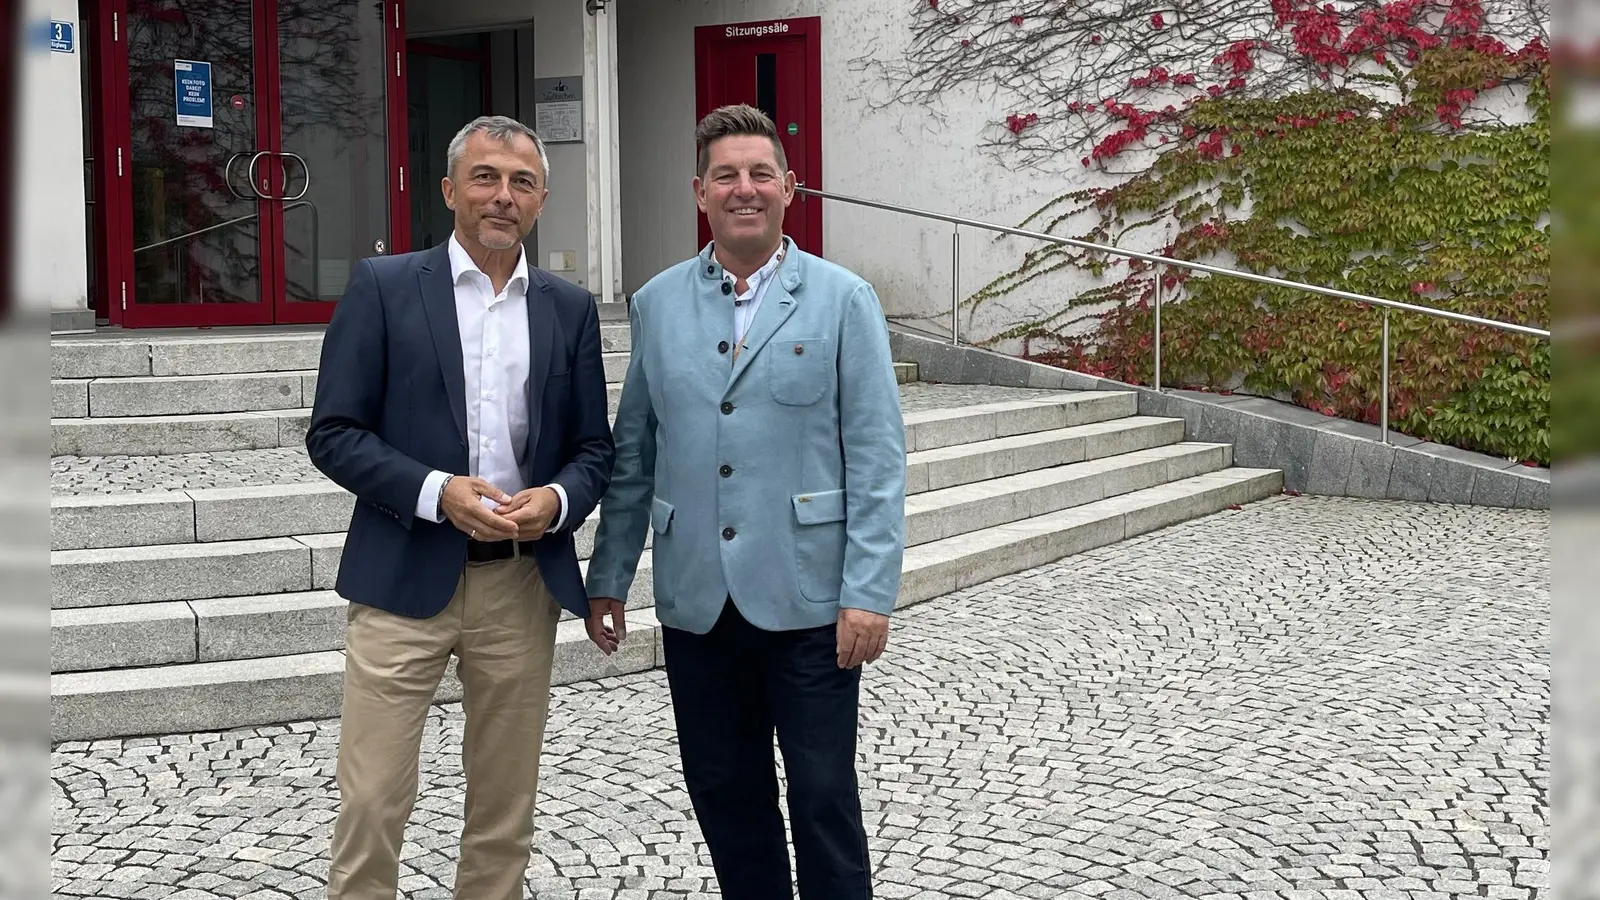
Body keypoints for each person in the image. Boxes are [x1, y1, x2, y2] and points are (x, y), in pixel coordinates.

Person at [584, 104, 907, 900]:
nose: (745, 189)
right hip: (698, 600)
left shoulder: (843, 299)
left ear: (790, 188)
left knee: (824, 797)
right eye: (726, 175)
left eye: (761, 173)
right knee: (726, 795)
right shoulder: (657, 303)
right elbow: (636, 452)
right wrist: (609, 575)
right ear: (700, 191)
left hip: (808, 600)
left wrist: (869, 592)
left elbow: (875, 456)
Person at [305, 115, 616, 900]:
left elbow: (594, 450)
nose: (501, 196)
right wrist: (434, 492)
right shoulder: (384, 287)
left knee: (503, 812)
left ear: (541, 199)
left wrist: (558, 500)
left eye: (519, 182)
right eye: (484, 177)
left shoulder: (569, 309)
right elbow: (334, 433)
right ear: (449, 190)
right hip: (402, 577)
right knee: (372, 800)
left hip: (519, 585)